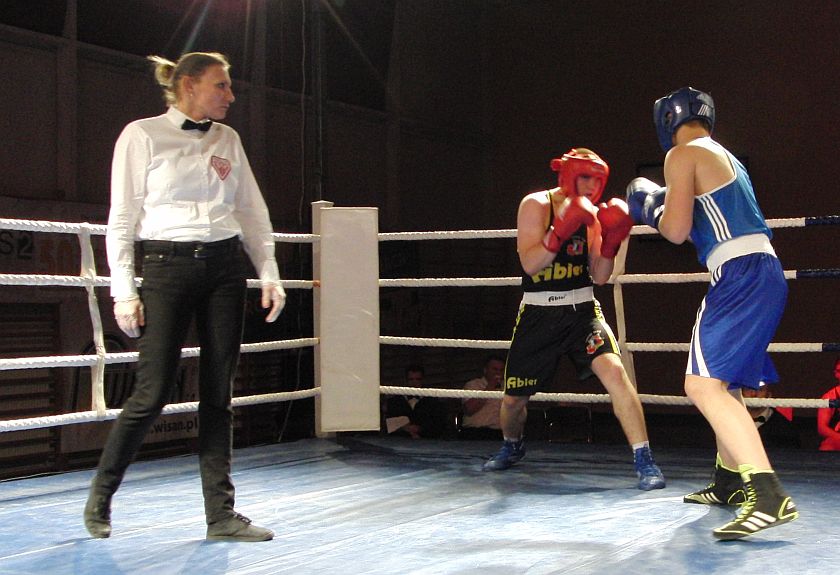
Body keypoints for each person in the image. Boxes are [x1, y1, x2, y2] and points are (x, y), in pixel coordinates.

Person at [84, 52, 285, 542]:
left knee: (219, 394)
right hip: (165, 265)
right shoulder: (142, 135)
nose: (231, 95)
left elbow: (251, 211)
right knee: (152, 391)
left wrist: (269, 271)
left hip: (224, 267)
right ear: (190, 86)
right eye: (222, 85)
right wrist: (123, 290)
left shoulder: (228, 139)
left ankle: (221, 516)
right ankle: (101, 496)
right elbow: (122, 218)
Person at [627, 86, 797, 539]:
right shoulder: (725, 156)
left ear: (667, 121)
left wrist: (650, 210)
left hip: (739, 273)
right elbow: (704, 221)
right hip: (761, 270)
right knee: (725, 383)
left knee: (701, 385)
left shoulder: (681, 155)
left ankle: (768, 495)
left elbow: (676, 230)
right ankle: (729, 481)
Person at [483, 148, 666, 492]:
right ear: (567, 175)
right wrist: (561, 228)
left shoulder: (594, 215)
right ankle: (512, 445)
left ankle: (645, 460)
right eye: (585, 177)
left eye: (598, 180)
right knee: (513, 401)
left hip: (582, 312)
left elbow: (600, 276)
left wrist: (611, 242)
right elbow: (530, 264)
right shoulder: (536, 205)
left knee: (616, 374)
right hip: (538, 313)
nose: (592, 187)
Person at [383, 365, 448, 439]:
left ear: (423, 380)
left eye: (418, 379)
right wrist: (404, 428)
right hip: (399, 441)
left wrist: (420, 429)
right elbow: (387, 424)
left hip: (427, 441)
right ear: (406, 380)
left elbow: (439, 425)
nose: (414, 383)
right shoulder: (394, 402)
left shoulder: (433, 402)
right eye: (411, 379)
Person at [460, 354, 505, 439]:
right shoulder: (473, 385)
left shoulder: (506, 388)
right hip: (475, 433)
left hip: (500, 434)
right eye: (495, 369)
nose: (498, 373)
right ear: (485, 370)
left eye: (501, 370)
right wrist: (490, 386)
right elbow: (469, 410)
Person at [742, 384, 799, 449]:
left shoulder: (785, 428)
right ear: (741, 394)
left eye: (760, 390)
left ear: (769, 395)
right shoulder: (733, 421)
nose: (753, 394)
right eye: (748, 389)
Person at [817, 358, 840, 451]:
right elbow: (822, 428)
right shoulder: (830, 396)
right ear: (836, 373)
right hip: (837, 438)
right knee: (827, 446)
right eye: (839, 371)